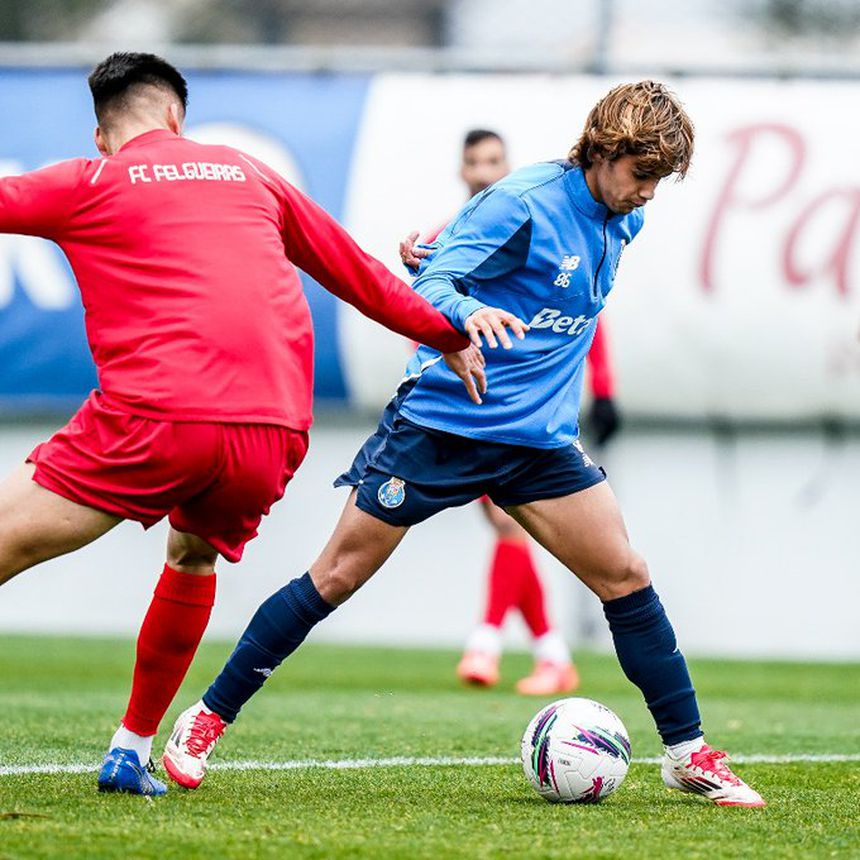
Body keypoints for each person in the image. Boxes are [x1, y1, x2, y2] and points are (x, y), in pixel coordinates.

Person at [163, 80, 765, 808]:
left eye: (659, 183)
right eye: (642, 175)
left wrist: (445, 240)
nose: (647, 195)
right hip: (445, 426)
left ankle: (688, 753)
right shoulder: (525, 200)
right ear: (604, 150)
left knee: (626, 575)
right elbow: (431, 280)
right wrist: (466, 307)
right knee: (336, 576)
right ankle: (206, 718)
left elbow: (452, 246)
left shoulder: (620, 221)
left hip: (537, 443)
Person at [0, 51, 478, 796]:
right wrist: (446, 333)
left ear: (103, 135)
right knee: (191, 555)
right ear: (176, 117)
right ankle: (131, 750)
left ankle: (133, 749)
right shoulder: (248, 171)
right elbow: (355, 270)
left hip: (158, 418)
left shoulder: (89, 179)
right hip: (272, 431)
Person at [401, 128, 621, 695]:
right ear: (462, 170)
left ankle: (492, 643)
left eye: (494, 159)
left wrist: (604, 388)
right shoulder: (459, 230)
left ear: (507, 164)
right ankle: (549, 652)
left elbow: (583, 310)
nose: (484, 170)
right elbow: (430, 293)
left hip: (523, 404)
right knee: (508, 527)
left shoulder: (540, 218)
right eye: (474, 160)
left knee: (508, 523)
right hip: (463, 399)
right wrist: (415, 268)